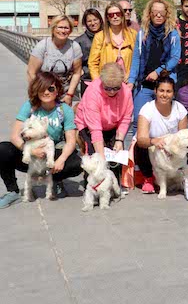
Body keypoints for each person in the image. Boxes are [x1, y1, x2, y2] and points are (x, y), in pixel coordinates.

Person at [0, 71, 82, 207]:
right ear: (36, 90)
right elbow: (14, 135)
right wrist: (31, 151)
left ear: (57, 90)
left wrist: (61, 160)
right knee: (3, 149)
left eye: (51, 88)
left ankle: (55, 179)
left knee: (76, 163)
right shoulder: (30, 106)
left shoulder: (64, 110)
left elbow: (71, 140)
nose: (46, 92)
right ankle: (13, 191)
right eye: (41, 88)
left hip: (51, 154)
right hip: (30, 153)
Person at [134, 76, 188, 193]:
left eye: (168, 91)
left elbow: (184, 136)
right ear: (155, 91)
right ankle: (148, 178)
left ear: (173, 93)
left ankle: (184, 175)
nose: (164, 95)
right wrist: (153, 141)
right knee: (140, 145)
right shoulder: (147, 109)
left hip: (172, 147)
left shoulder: (179, 108)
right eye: (161, 90)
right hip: (153, 148)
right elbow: (141, 138)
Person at [127, 0, 181, 143]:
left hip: (165, 84)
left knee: (166, 124)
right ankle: (137, 160)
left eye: (161, 13)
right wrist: (131, 81)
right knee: (138, 120)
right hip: (145, 84)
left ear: (167, 14)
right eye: (155, 12)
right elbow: (136, 59)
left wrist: (157, 72)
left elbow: (175, 58)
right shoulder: (142, 33)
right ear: (149, 14)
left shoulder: (173, 34)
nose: (158, 15)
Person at [75, 63, 133, 181]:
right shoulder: (93, 92)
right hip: (89, 125)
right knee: (95, 158)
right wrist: (101, 160)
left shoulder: (126, 92)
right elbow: (95, 130)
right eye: (108, 88)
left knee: (115, 158)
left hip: (112, 124)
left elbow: (126, 118)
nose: (112, 91)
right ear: (102, 82)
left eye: (116, 88)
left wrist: (119, 139)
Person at [27, 16, 83, 105]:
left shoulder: (74, 47)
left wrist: (70, 95)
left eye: (66, 28)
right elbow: (31, 72)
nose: (63, 31)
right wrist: (39, 93)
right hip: (44, 94)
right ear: (53, 28)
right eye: (60, 27)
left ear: (70, 30)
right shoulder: (43, 46)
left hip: (64, 94)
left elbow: (77, 73)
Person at [89, 2, 137, 83]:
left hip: (127, 82)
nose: (115, 17)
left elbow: (137, 59)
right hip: (106, 83)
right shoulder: (100, 36)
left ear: (122, 15)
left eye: (118, 14)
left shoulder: (133, 34)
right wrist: (97, 82)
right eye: (111, 15)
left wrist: (131, 76)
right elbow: (92, 63)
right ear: (107, 18)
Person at [75, 8, 103, 96]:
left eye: (95, 20)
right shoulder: (79, 41)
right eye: (89, 21)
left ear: (100, 20)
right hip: (88, 80)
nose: (93, 23)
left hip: (107, 80)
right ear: (85, 23)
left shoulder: (108, 36)